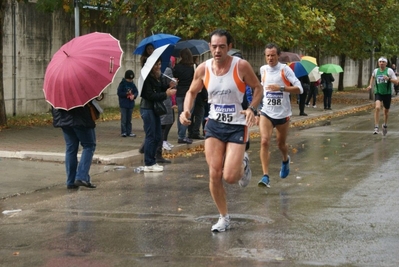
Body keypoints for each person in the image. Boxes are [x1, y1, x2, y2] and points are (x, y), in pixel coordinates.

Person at [179, 29, 262, 232]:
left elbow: (258, 88)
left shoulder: (240, 66)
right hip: (214, 124)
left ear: (229, 47)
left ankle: (243, 163)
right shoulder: (203, 69)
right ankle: (223, 217)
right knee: (214, 172)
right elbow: (191, 91)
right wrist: (185, 111)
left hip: (237, 125)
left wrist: (252, 108)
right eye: (214, 46)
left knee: (230, 177)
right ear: (210, 47)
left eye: (222, 47)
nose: (217, 50)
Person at [257, 43, 303, 188]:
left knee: (280, 144)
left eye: (273, 55)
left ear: (278, 56)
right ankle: (265, 176)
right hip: (266, 112)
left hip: (282, 113)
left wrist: (281, 88)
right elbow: (261, 88)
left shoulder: (285, 69)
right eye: (267, 55)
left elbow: (300, 89)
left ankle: (285, 159)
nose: (270, 58)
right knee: (264, 141)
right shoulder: (263, 69)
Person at [140, 57, 177, 172]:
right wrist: (166, 94)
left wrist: (169, 85)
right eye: (156, 65)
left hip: (154, 110)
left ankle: (152, 160)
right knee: (151, 136)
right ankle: (149, 162)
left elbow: (159, 89)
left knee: (157, 136)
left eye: (160, 64)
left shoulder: (156, 77)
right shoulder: (146, 78)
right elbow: (150, 95)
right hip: (148, 109)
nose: (159, 67)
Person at [52, 102, 98, 189]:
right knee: (89, 145)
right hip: (80, 120)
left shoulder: (57, 90)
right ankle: (81, 177)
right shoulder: (78, 88)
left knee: (71, 148)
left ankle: (71, 181)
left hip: (64, 121)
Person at [366, 57, 398, 135]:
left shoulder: (389, 71)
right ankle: (376, 127)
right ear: (378, 63)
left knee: (386, 112)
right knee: (377, 107)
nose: (381, 63)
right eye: (380, 62)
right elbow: (372, 76)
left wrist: (389, 79)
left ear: (386, 63)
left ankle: (384, 124)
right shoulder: (376, 71)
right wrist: (370, 85)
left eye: (383, 62)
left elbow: (397, 82)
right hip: (378, 92)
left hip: (387, 93)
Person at [173, 48, 195, 144]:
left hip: (179, 92)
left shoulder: (177, 67)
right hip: (189, 93)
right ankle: (182, 136)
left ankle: (180, 134)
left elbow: (175, 78)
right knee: (187, 114)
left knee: (181, 114)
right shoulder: (192, 67)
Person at [117, 70, 138, 137]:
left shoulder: (132, 84)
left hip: (130, 104)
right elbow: (119, 93)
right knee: (124, 119)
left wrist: (134, 96)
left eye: (131, 79)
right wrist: (126, 94)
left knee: (129, 119)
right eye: (129, 79)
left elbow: (136, 92)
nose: (130, 80)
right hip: (124, 104)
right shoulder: (122, 84)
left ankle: (129, 131)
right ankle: (124, 131)